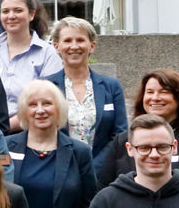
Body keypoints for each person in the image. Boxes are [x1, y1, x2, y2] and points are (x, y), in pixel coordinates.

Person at [97, 68, 179, 201]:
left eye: (164, 92)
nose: (155, 98)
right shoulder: (122, 140)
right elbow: (104, 189)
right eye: (150, 92)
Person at [45, 17, 127, 174]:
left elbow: (120, 134)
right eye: (67, 40)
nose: (74, 46)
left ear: (92, 46)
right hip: (58, 171)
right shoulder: (46, 87)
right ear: (56, 46)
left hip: (103, 174)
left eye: (80, 40)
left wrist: (92, 168)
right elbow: (40, 133)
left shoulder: (111, 87)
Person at [0, 0, 61, 132]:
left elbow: (50, 100)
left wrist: (4, 127)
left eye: (18, 10)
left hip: (31, 133)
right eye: (5, 11)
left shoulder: (47, 54)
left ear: (32, 14)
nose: (11, 16)